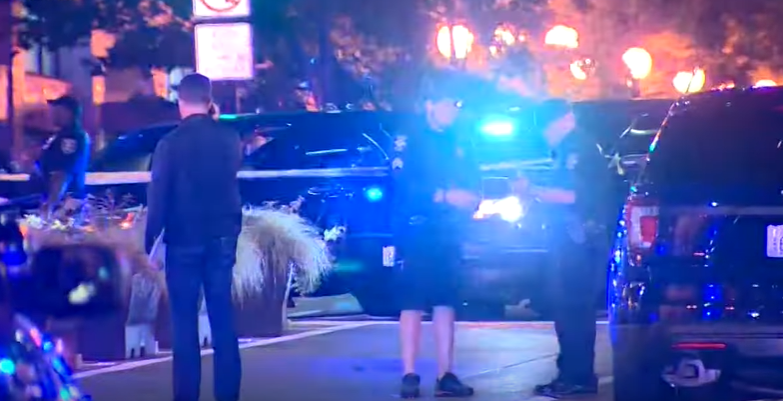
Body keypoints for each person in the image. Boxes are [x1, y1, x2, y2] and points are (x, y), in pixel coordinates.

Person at [144, 73, 243, 401]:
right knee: (222, 318)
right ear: (209, 99)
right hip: (222, 236)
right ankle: (227, 394)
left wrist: (150, 243)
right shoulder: (229, 138)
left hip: (184, 238)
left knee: (184, 324)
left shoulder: (170, 144)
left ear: (180, 101)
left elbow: (158, 196)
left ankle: (186, 395)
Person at [393, 83, 480, 399]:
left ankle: (446, 373)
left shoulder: (460, 139)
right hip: (417, 228)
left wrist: (472, 199)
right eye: (446, 104)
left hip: (450, 230)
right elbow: (402, 183)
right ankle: (409, 372)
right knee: (413, 301)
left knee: (446, 300)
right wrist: (443, 195)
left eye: (455, 105)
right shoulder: (410, 138)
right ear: (429, 104)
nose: (452, 111)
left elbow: (473, 178)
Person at [523, 99, 613, 397]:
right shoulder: (572, 148)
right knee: (569, 310)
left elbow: (572, 195)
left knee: (573, 310)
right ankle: (571, 374)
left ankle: (576, 377)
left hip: (579, 241)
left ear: (561, 120)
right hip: (574, 240)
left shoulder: (578, 150)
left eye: (546, 128)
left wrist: (531, 190)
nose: (545, 136)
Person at [40, 95, 90, 216]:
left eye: (57, 110)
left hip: (65, 203)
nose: (52, 113)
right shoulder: (59, 136)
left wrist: (51, 204)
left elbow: (62, 173)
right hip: (60, 200)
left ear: (68, 113)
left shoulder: (71, 137)